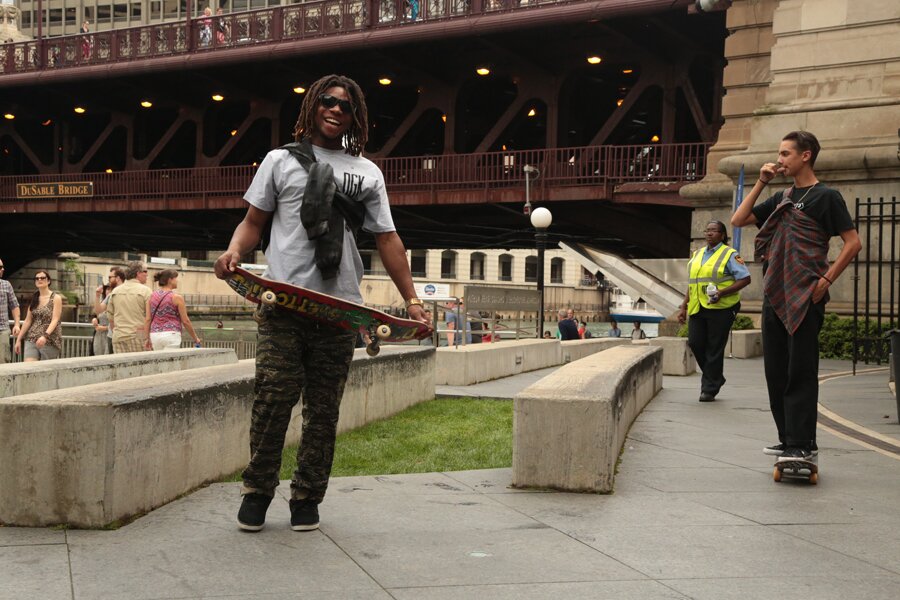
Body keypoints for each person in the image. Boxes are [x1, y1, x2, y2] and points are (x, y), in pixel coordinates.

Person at [214, 74, 430, 533]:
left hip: (339, 310)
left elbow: (388, 239)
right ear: (313, 106)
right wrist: (234, 252)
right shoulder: (279, 160)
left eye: (345, 106)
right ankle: (257, 491)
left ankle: (307, 498)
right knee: (273, 400)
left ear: (356, 117)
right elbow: (253, 221)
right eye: (328, 101)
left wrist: (411, 300)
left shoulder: (368, 173)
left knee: (323, 412)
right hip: (284, 302)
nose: (335, 110)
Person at [731, 130, 860, 461]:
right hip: (776, 294)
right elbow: (739, 219)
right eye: (779, 153)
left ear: (806, 155)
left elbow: (853, 243)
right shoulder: (782, 197)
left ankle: (803, 443)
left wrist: (826, 280)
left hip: (806, 294)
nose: (779, 159)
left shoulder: (826, 197)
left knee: (800, 370)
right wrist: (761, 182)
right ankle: (787, 439)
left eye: (785, 153)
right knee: (776, 371)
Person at [677, 221, 751, 402]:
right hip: (698, 306)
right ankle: (715, 376)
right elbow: (693, 283)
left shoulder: (730, 254)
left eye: (714, 231)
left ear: (722, 235)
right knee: (695, 343)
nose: (709, 233)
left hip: (722, 307)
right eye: (707, 230)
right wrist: (684, 306)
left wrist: (722, 292)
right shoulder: (697, 254)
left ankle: (709, 389)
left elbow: (745, 279)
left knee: (714, 348)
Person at [145, 269, 202, 350]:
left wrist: (147, 338)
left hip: (154, 335)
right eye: (175, 278)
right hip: (171, 334)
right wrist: (195, 338)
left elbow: (148, 319)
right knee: (171, 358)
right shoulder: (176, 298)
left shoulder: (151, 297)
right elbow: (185, 321)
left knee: (159, 358)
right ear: (170, 280)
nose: (177, 281)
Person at [14, 270, 63, 361]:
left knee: (45, 368)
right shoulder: (34, 298)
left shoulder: (56, 298)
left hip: (50, 339)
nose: (39, 280)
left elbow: (55, 320)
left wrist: (45, 336)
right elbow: (28, 321)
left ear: (48, 281)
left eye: (42, 278)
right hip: (32, 337)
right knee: (29, 366)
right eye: (37, 278)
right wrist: (18, 340)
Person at [107, 261, 152, 353]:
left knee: (121, 362)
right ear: (138, 273)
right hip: (138, 336)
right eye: (145, 271)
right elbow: (149, 318)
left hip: (118, 337)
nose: (147, 274)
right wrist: (147, 337)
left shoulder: (115, 291)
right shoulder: (146, 291)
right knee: (140, 362)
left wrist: (116, 331)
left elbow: (110, 317)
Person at [94, 266, 125, 354]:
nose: (109, 280)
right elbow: (98, 310)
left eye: (110, 277)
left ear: (118, 278)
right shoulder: (111, 295)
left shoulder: (127, 293)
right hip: (111, 336)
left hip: (123, 335)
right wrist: (97, 295)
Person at [0, 258, 21, 363]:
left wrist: (17, 324)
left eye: (3, 267)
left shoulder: (6, 285)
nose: (3, 269)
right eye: (0, 267)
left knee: (3, 360)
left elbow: (14, 306)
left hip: (2, 329)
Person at [91, 285, 111, 356]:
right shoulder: (102, 303)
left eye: (110, 289)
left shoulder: (115, 304)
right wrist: (94, 319)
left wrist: (105, 328)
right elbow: (96, 314)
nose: (108, 291)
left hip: (110, 335)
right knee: (97, 355)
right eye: (107, 289)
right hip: (99, 335)